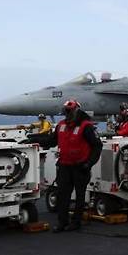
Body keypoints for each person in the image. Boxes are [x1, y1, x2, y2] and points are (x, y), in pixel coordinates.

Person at [47, 99, 102, 233]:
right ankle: (62, 222)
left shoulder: (86, 126)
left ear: (76, 111)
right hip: (64, 166)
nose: (67, 114)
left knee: (80, 195)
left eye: (69, 111)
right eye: (66, 111)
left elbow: (97, 146)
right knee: (62, 195)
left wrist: (89, 163)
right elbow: (52, 141)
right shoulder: (61, 125)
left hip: (80, 167)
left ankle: (76, 222)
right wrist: (35, 139)